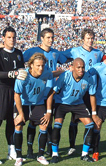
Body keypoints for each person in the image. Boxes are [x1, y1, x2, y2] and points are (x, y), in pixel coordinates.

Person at [23, 28, 67, 158]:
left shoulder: (56, 53)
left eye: (52, 37)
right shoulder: (31, 51)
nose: (51, 40)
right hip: (37, 92)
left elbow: (68, 57)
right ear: (41, 38)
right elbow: (20, 58)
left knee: (48, 120)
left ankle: (48, 147)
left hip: (51, 92)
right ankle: (30, 149)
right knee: (32, 122)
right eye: (48, 37)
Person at [61, 28, 105, 156]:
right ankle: (72, 146)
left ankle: (90, 146)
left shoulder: (99, 53)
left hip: (92, 91)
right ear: (83, 39)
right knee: (74, 120)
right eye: (88, 38)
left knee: (93, 118)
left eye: (92, 38)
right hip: (79, 89)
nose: (90, 41)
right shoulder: (75, 51)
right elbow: (61, 57)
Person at [0, 26, 27, 165]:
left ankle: (11, 151)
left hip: (14, 90)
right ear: (3, 38)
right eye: (9, 37)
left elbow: (21, 69)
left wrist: (22, 73)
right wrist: (12, 73)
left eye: (14, 37)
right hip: (0, 89)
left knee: (12, 121)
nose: (12, 40)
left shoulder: (18, 53)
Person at [50, 58, 99, 163]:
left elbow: (92, 95)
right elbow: (52, 92)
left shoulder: (89, 78)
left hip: (78, 103)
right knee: (57, 125)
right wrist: (49, 110)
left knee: (90, 125)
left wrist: (94, 113)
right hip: (62, 103)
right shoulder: (65, 76)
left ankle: (84, 154)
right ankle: (55, 154)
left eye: (83, 67)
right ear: (73, 67)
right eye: (78, 67)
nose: (81, 70)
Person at [13, 53, 54, 166]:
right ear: (31, 65)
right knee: (18, 125)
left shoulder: (47, 73)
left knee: (44, 124)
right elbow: (17, 95)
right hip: (23, 104)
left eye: (42, 65)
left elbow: (50, 91)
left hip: (38, 104)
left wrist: (49, 112)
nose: (40, 68)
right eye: (37, 65)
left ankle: (40, 155)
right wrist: (20, 114)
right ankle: (19, 157)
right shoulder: (23, 76)